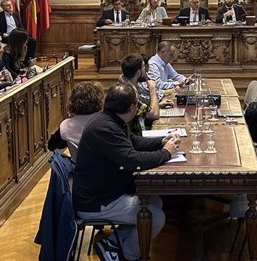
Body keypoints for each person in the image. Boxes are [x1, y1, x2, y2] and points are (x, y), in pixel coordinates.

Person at [73, 83, 180, 261]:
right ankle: (127, 256)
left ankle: (112, 243)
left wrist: (162, 141)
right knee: (156, 217)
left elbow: (134, 142)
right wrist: (166, 153)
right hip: (97, 202)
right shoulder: (105, 128)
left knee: (155, 200)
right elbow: (133, 161)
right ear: (132, 107)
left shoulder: (111, 119)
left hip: (108, 191)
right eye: (137, 104)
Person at [119, 54, 174, 136]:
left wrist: (158, 105)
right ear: (138, 73)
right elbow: (154, 115)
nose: (146, 70)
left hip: (137, 135)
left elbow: (140, 109)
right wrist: (152, 90)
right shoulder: (127, 92)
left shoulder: (128, 84)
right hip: (133, 138)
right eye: (144, 67)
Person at [47, 81, 104, 150]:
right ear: (99, 101)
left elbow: (51, 146)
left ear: (73, 101)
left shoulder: (66, 125)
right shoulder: (106, 122)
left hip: (78, 160)